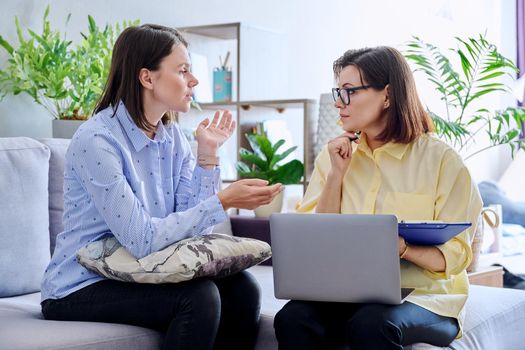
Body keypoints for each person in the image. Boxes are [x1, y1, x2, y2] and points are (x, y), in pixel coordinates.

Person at [41, 24, 283, 350]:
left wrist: (208, 156)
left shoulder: (173, 139)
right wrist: (222, 200)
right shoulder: (97, 140)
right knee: (197, 298)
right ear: (147, 78)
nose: (193, 81)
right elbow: (142, 240)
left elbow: (191, 230)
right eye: (182, 70)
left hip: (139, 271)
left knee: (243, 290)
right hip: (80, 284)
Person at [273, 46, 482, 350]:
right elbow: (315, 239)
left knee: (372, 324)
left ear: (387, 95)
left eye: (349, 91)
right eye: (338, 91)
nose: (338, 102)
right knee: (293, 318)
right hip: (347, 292)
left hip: (429, 298)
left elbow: (457, 256)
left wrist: (403, 248)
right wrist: (336, 175)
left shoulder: (443, 162)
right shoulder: (335, 156)